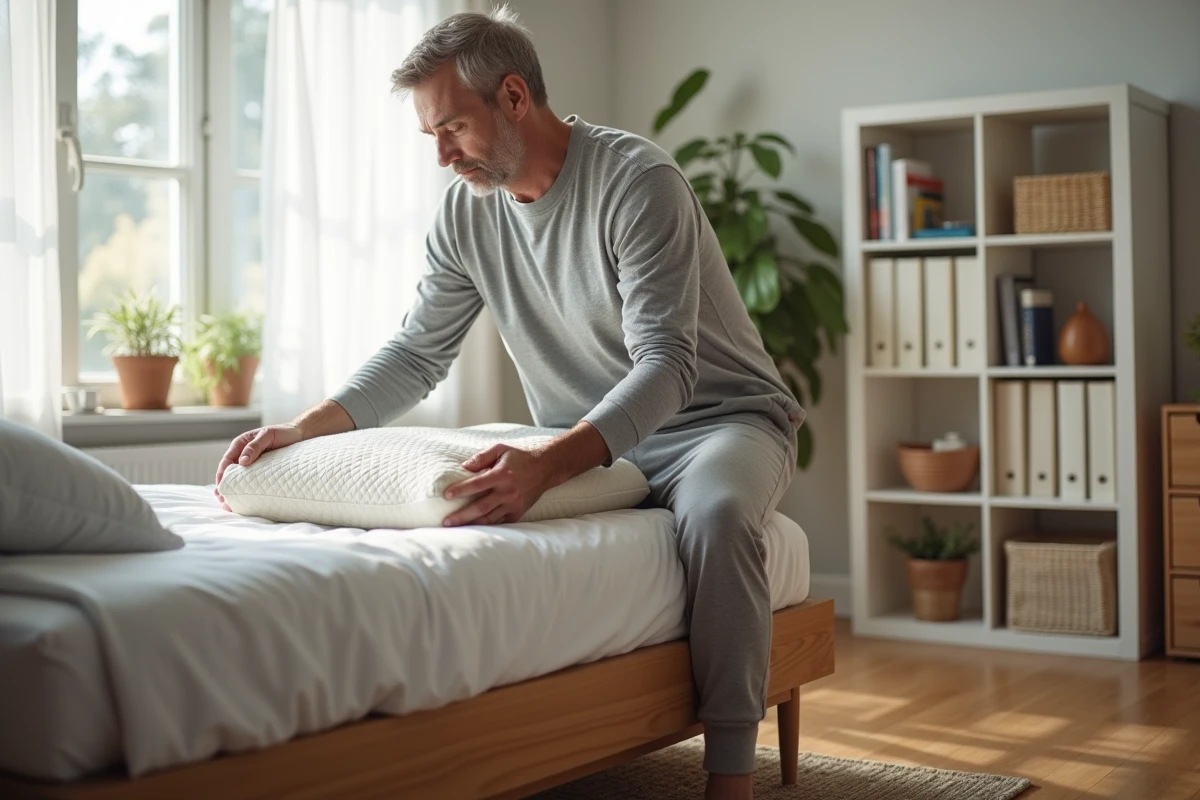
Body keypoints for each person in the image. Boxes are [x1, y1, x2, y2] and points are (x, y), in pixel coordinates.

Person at [215, 6, 804, 799]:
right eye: (430, 135)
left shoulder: (637, 182)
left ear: (516, 97)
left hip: (714, 423)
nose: (440, 155)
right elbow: (418, 354)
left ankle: (730, 774)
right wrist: (303, 428)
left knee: (721, 516)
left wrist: (545, 464)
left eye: (452, 128)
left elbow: (668, 367)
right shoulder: (466, 211)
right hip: (589, 436)